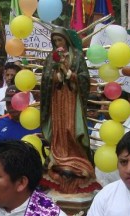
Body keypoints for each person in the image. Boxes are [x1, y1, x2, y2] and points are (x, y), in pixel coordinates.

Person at [40, 27, 95, 194]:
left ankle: (77, 158)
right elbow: (45, 79)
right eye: (55, 41)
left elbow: (85, 78)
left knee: (72, 129)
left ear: (66, 40)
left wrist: (72, 75)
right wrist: (55, 77)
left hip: (72, 99)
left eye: (60, 40)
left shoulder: (77, 56)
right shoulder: (51, 57)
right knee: (60, 130)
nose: (57, 44)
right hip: (57, 99)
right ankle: (59, 157)